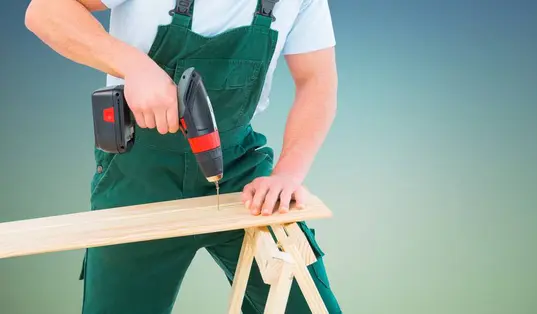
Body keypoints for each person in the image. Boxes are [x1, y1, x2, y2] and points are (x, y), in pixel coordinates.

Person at [24, 0, 341, 313]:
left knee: (305, 301)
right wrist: (134, 65)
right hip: (140, 175)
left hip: (243, 175)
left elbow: (317, 80)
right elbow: (46, 12)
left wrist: (286, 175)